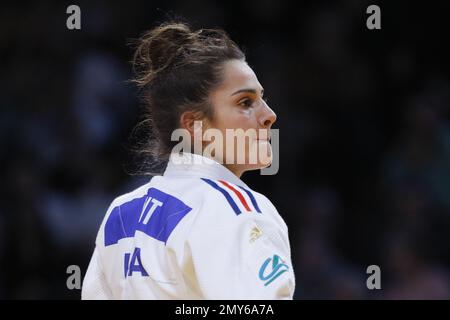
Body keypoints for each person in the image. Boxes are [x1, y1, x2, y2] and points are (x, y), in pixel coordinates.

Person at [82, 21, 295, 299]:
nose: (269, 115)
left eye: (262, 99)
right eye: (245, 102)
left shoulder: (121, 213)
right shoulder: (232, 208)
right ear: (195, 126)